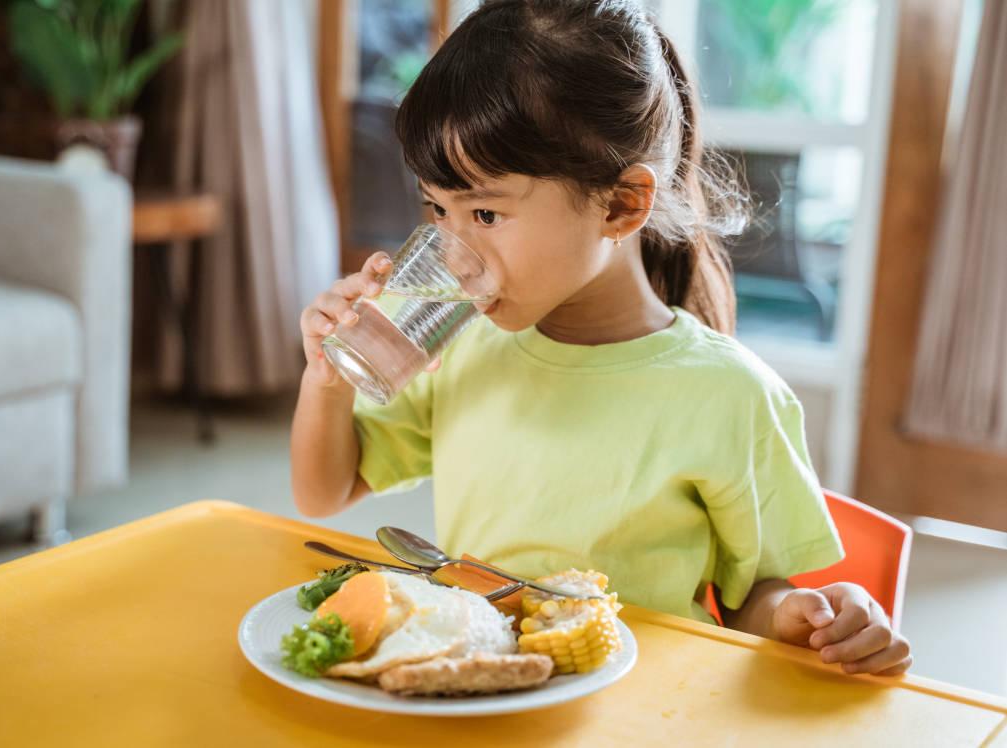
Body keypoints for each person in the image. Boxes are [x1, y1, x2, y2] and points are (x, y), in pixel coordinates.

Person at [291, 0, 911, 676]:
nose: (451, 250)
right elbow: (324, 491)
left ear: (620, 204)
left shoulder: (728, 395)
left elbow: (753, 601)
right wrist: (325, 382)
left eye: (486, 212)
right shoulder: (459, 347)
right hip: (489, 697)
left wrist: (810, 616)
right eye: (438, 208)